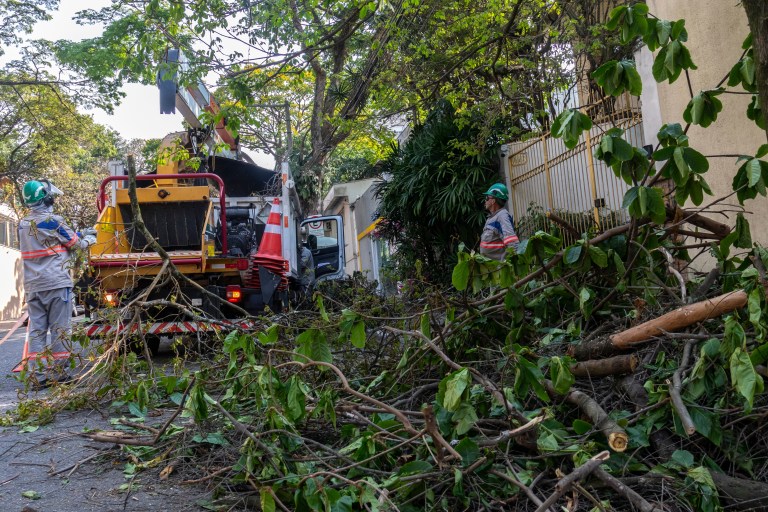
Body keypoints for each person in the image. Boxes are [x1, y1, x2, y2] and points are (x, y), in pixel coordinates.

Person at [18, 179, 95, 386]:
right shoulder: (53, 221)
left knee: (37, 330)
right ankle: (60, 373)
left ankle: (38, 375)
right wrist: (88, 239)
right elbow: (75, 245)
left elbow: (49, 241)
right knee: (60, 329)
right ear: (47, 197)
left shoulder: (23, 225)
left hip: (33, 286)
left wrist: (78, 234)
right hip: (56, 283)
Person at [479, 183, 519, 260]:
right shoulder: (492, 218)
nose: (485, 200)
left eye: (487, 198)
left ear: (493, 201)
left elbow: (512, 242)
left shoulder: (502, 216)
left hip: (500, 268)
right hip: (491, 268)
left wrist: (515, 263)